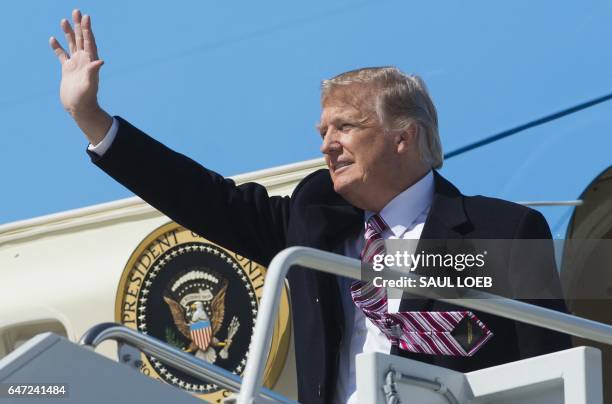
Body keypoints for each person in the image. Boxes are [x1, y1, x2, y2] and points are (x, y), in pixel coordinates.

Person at [50, 10, 571, 403]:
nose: (327, 144)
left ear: (402, 137)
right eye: (323, 131)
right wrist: (93, 119)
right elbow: (205, 198)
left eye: (345, 126)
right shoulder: (314, 223)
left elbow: (551, 367)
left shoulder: (503, 230)